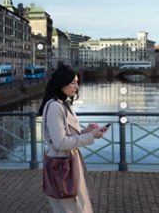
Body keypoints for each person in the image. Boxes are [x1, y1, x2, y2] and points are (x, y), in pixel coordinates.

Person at [39, 65, 107, 213]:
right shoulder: (55, 106)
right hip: (62, 166)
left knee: (74, 206)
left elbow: (66, 135)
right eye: (72, 82)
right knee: (71, 207)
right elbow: (60, 142)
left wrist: (85, 131)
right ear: (61, 82)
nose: (76, 86)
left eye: (77, 82)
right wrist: (91, 136)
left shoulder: (62, 104)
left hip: (68, 163)